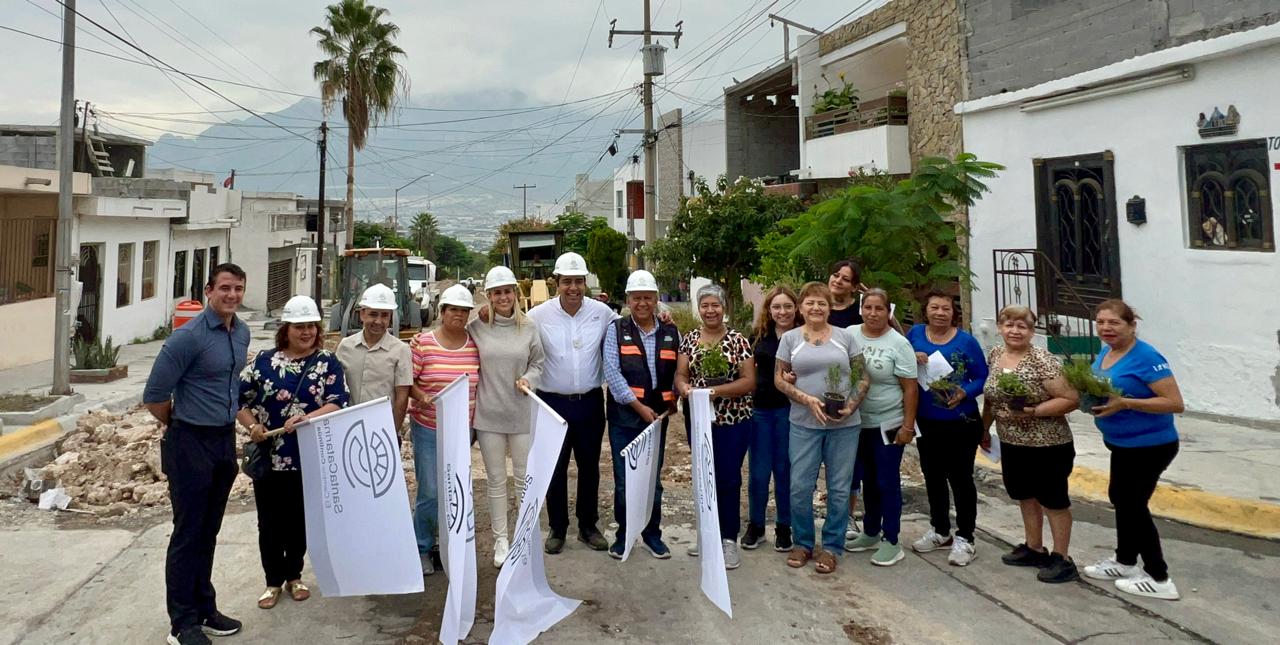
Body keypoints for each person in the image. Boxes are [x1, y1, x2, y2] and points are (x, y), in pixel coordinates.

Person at [143, 263, 249, 645]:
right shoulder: (185, 339)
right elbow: (154, 396)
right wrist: (182, 423)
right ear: (209, 290)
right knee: (188, 533)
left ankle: (205, 608)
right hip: (189, 442)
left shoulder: (242, 333)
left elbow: (231, 385)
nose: (232, 295)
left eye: (238, 288)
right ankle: (182, 622)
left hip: (223, 441)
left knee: (209, 531)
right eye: (225, 288)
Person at [237, 296, 348, 610]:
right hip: (270, 455)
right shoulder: (263, 361)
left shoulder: (327, 361)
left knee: (300, 519)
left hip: (308, 455)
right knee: (269, 522)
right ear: (285, 329)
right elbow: (239, 400)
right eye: (300, 326)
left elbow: (338, 400)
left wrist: (306, 418)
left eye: (312, 326)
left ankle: (294, 575)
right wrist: (252, 427)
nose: (307, 332)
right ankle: (272, 581)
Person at [1081, 300, 1185, 600]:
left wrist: (1125, 403)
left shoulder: (1147, 357)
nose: (1106, 328)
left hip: (1150, 444)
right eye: (1101, 322)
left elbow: (1175, 402)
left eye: (1114, 323)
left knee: (1132, 503)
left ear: (1131, 325)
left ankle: (1158, 576)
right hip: (1121, 443)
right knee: (1121, 498)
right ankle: (1125, 561)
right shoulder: (1107, 351)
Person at [526, 252, 620, 554]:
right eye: (567, 281)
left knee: (589, 466)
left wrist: (663, 313)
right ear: (557, 283)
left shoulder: (602, 312)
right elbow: (515, 333)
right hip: (552, 403)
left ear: (585, 282)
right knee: (555, 466)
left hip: (590, 402)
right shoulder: (539, 316)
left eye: (579, 281)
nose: (573, 288)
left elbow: (628, 328)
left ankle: (588, 525)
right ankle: (557, 527)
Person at [772, 282, 866, 574]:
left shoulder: (845, 337)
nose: (816, 308)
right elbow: (779, 379)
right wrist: (805, 399)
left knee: (838, 489)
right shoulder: (789, 339)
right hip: (803, 424)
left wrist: (850, 406)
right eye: (810, 303)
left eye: (821, 303)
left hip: (844, 426)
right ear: (801, 308)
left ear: (830, 307)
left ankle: (831, 547)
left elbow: (862, 377)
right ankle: (803, 543)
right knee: (800, 487)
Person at [982, 305, 1081, 583]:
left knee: (1053, 500)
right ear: (1001, 327)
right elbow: (991, 398)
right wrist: (985, 428)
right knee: (1024, 494)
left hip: (1048, 444)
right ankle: (1034, 547)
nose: (1014, 331)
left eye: (1022, 326)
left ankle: (1062, 558)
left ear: (1031, 331)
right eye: (1009, 325)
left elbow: (1070, 399)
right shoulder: (996, 355)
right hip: (1013, 442)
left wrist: (1034, 411)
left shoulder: (1042, 360)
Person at [468, 266, 545, 568]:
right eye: (496, 292)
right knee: (496, 480)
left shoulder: (529, 327)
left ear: (515, 293)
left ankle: (525, 535)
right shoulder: (477, 327)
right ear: (488, 296)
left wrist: (529, 378)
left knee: (525, 479)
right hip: (488, 416)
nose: (503, 297)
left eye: (507, 291)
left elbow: (538, 363)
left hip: (521, 414)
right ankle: (501, 539)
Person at [906, 290, 989, 566]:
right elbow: (905, 365)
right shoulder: (915, 334)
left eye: (946, 308)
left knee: (961, 479)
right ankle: (940, 530)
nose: (940, 312)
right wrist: (912, 356)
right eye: (935, 307)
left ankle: (966, 537)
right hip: (928, 421)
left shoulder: (966, 341)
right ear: (925, 310)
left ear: (954, 313)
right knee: (932, 476)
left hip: (961, 421)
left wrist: (965, 392)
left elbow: (981, 376)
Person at [675, 284, 755, 570]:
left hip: (733, 421)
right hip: (698, 420)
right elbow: (681, 374)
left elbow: (749, 381)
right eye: (705, 305)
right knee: (703, 476)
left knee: (728, 478)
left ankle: (728, 538)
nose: (710, 310)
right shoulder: (690, 340)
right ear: (699, 309)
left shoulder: (737, 340)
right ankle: (707, 534)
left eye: (715, 305)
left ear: (724, 308)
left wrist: (715, 391)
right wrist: (684, 387)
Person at [603, 270, 678, 560]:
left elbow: (678, 373)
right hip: (625, 418)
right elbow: (612, 372)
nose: (642, 303)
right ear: (628, 300)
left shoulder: (671, 332)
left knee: (652, 480)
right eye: (637, 298)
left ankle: (651, 535)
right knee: (624, 481)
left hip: (658, 419)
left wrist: (671, 403)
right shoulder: (616, 330)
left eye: (648, 298)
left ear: (656, 300)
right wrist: (637, 406)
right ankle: (625, 535)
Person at [408, 285, 481, 575]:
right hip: (429, 427)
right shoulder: (423, 344)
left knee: (456, 490)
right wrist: (422, 396)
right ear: (442, 312)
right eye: (453, 310)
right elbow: (408, 382)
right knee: (430, 490)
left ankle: (448, 544)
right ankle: (422, 546)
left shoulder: (474, 344)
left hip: (462, 431)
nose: (459, 315)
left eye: (464, 311)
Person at [844, 288, 918, 567]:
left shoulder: (898, 344)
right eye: (868, 308)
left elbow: (910, 389)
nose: (873, 313)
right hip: (856, 422)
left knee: (887, 481)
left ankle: (892, 540)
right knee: (867, 481)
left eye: (879, 309)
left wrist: (908, 426)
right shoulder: (850, 334)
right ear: (861, 309)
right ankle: (871, 532)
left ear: (889, 312)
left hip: (889, 422)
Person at [741, 285, 799, 552]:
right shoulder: (758, 335)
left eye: (787, 306)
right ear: (769, 310)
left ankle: (784, 526)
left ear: (795, 308)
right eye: (777, 307)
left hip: (791, 411)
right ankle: (756, 525)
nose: (782, 311)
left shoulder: (803, 336)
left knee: (785, 470)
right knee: (758, 472)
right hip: (760, 410)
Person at [335, 284, 412, 430]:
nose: (378, 321)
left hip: (381, 428)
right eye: (373, 314)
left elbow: (401, 399)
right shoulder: (346, 346)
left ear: (391, 316)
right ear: (362, 314)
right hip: (348, 427)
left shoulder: (401, 350)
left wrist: (392, 433)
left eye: (384, 315)